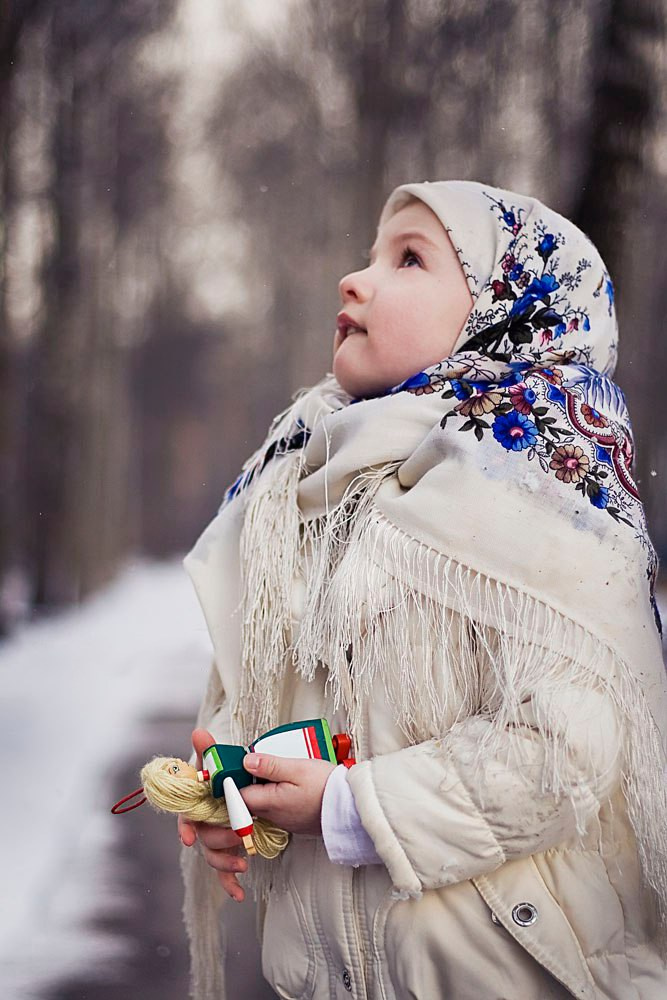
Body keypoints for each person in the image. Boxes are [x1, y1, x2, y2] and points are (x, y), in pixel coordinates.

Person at [178, 180, 667, 999]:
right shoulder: (306, 479)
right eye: (371, 255)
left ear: (507, 317)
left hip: (514, 973)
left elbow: (567, 753)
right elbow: (302, 692)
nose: (355, 280)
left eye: (408, 258)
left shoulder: (540, 495)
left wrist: (352, 808)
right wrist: (242, 786)